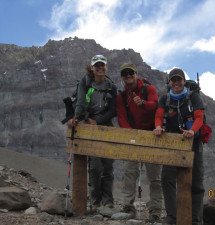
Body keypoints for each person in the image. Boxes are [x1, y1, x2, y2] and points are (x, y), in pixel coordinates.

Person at [153, 68, 205, 225]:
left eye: (179, 80)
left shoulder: (193, 97)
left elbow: (199, 117)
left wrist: (192, 131)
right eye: (173, 80)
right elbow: (159, 116)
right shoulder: (165, 99)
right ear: (169, 83)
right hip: (172, 143)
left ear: (184, 81)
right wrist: (157, 127)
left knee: (196, 182)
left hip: (193, 143)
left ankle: (196, 220)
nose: (176, 82)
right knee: (167, 179)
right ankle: (172, 217)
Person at [67, 54, 117, 211]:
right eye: (97, 65)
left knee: (108, 165)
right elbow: (81, 102)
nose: (100, 68)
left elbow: (113, 110)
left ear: (106, 67)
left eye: (103, 65)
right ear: (92, 68)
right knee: (95, 166)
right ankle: (95, 201)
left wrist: (99, 121)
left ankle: (108, 201)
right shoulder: (85, 82)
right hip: (89, 124)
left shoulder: (111, 87)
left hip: (106, 124)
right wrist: (79, 117)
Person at [116, 63, 162, 223]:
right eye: (124, 74)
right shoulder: (121, 97)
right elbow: (121, 118)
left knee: (155, 176)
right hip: (133, 137)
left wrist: (142, 103)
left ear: (136, 74)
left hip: (152, 136)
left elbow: (155, 106)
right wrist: (133, 135)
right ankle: (128, 206)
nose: (128, 76)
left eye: (130, 73)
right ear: (122, 77)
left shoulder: (149, 89)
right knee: (129, 172)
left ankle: (155, 211)